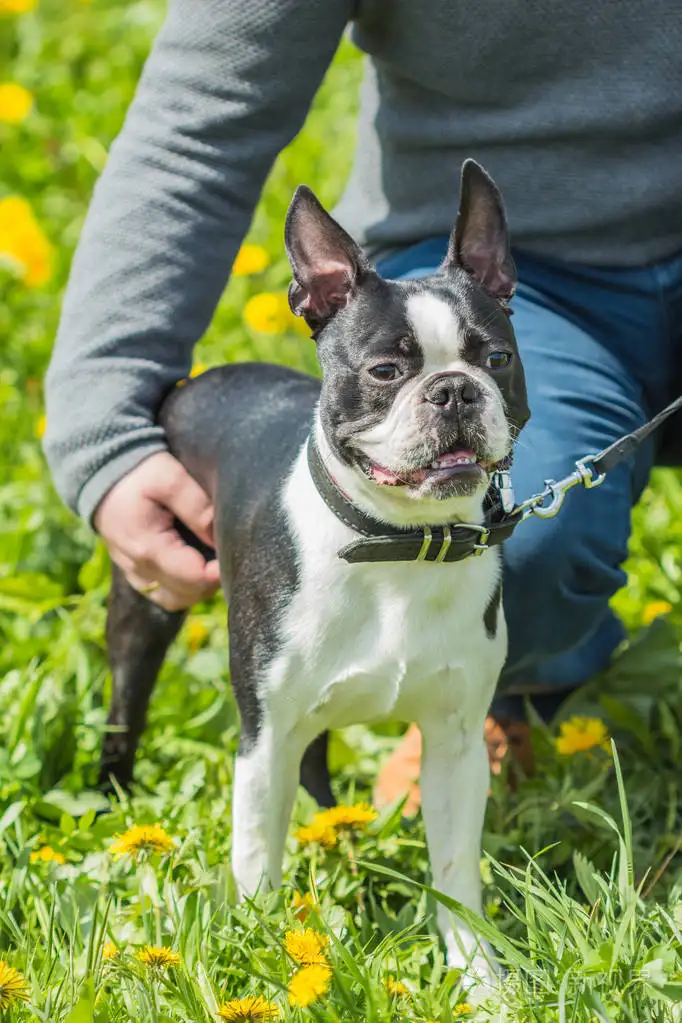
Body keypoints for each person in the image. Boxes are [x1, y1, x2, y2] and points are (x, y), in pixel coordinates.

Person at [44, 0, 682, 812]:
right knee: (508, 543)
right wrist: (107, 431)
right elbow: (198, 118)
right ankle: (500, 695)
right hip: (496, 289)